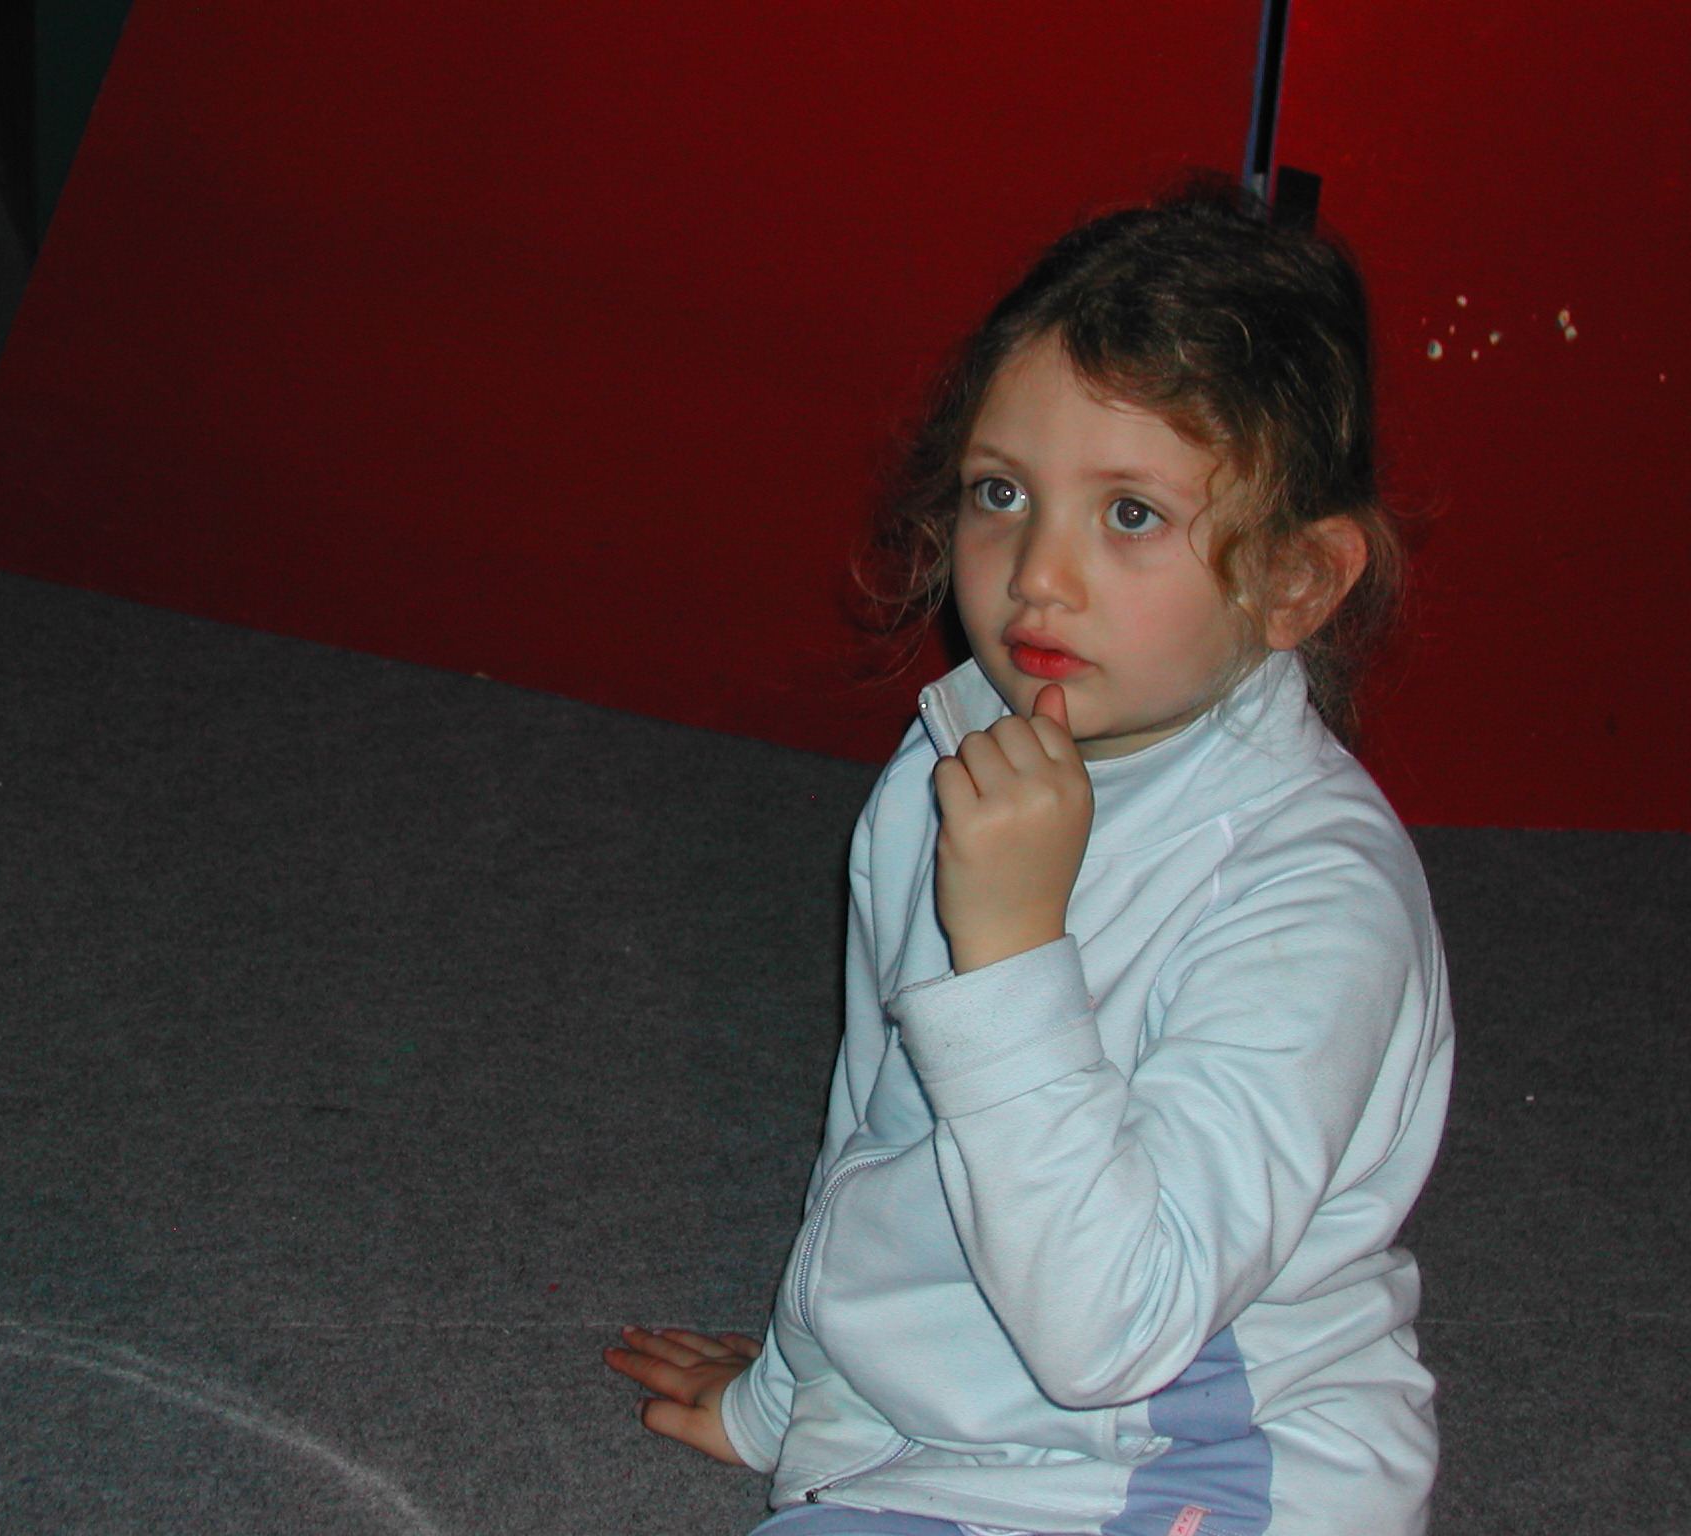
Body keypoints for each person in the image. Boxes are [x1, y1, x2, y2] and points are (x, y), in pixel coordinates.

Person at [604, 180, 1453, 1536]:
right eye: (1002, 493)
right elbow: (882, 1127)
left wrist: (1010, 950)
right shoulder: (955, 760)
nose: (1036, 575)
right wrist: (793, 1395)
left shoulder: (1317, 899)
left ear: (1293, 583)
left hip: (1198, 1465)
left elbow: (1123, 1328)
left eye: (1131, 515)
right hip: (939, 1435)